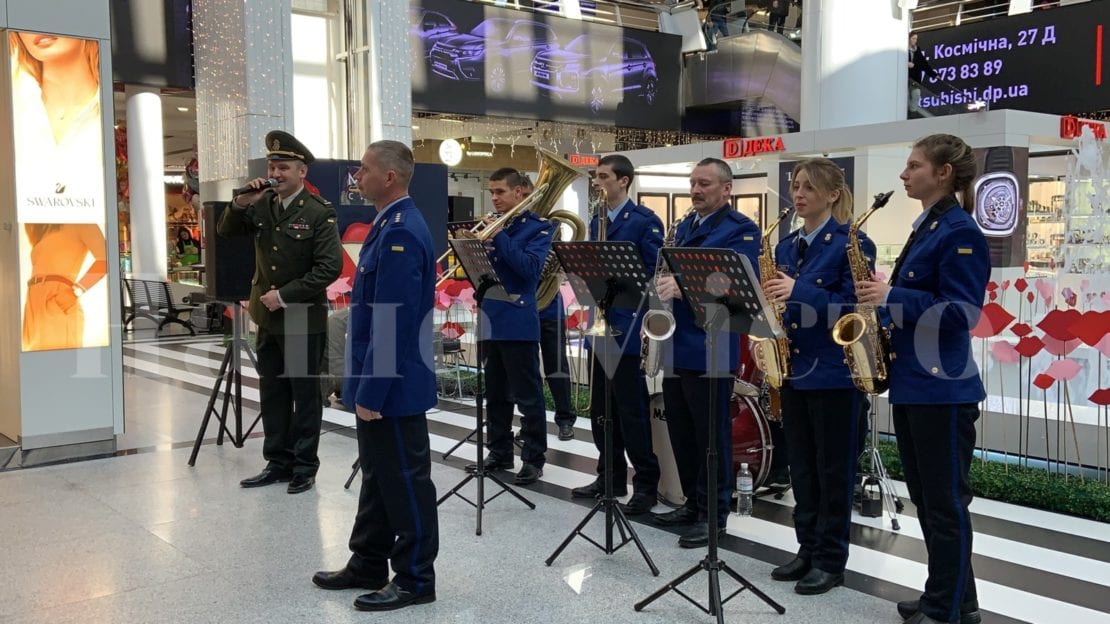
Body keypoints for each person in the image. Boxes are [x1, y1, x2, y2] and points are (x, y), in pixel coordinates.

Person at [857, 134, 988, 624]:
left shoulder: (960, 231)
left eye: (913, 166)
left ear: (943, 173)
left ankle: (946, 608)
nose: (903, 174)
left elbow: (961, 312)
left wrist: (891, 295)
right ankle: (956, 598)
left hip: (943, 389)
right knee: (931, 502)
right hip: (917, 383)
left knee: (945, 505)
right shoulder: (930, 225)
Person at [313, 141, 439, 612]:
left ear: (389, 176)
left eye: (364, 169)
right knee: (377, 478)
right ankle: (368, 560)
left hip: (394, 385)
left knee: (406, 481)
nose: (357, 176)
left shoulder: (403, 230)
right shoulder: (388, 224)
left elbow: (394, 318)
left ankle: (415, 578)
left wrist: (373, 389)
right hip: (376, 378)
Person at [762, 159, 872, 595]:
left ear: (832, 195)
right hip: (793, 372)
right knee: (802, 470)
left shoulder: (852, 243)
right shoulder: (785, 247)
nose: (799, 193)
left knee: (833, 472)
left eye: (809, 186)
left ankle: (831, 560)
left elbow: (855, 307)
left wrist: (799, 292)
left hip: (834, 374)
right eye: (795, 185)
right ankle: (806, 549)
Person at [218, 130, 342, 494]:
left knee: (304, 395)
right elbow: (226, 231)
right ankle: (277, 461)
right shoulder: (262, 203)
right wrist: (242, 201)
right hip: (267, 316)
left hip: (302, 314)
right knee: (272, 391)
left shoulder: (319, 213)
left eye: (284, 166)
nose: (277, 172)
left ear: (302, 171)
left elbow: (328, 267)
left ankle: (304, 466)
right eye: (273, 165)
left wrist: (285, 295)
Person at [651, 158, 760, 548]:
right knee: (681, 431)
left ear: (726, 189)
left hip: (712, 347)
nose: (696, 190)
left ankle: (714, 515)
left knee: (710, 437)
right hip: (679, 343)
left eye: (705, 184)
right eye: (693, 183)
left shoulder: (742, 230)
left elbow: (741, 284)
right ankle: (692, 505)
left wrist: (685, 287)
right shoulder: (684, 227)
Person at [570, 154, 665, 516]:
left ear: (623, 181)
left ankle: (645, 484)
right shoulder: (596, 221)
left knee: (631, 410)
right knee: (601, 410)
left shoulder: (643, 221)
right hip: (600, 325)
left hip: (627, 327)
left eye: (603, 177)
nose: (597, 182)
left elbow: (655, 277)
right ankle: (608, 477)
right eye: (595, 177)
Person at [476, 168, 555, 485]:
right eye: (492, 192)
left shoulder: (539, 228)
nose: (494, 198)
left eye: (500, 192)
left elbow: (529, 271)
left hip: (518, 319)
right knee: (495, 394)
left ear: (521, 191)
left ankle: (534, 457)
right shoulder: (496, 227)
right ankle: (499, 451)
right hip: (491, 316)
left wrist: (499, 237)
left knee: (528, 395)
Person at [526, 177, 577, 442]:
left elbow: (551, 260)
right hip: (522, 303)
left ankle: (565, 418)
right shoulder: (511, 226)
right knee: (527, 366)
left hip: (548, 300)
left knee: (556, 362)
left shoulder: (552, 225)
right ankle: (530, 425)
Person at [22, 224, 108, 351]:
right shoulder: (45, 230)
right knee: (34, 362)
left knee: (59, 362)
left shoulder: (81, 223)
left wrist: (76, 292)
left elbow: (106, 259)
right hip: (33, 303)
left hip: (58, 300)